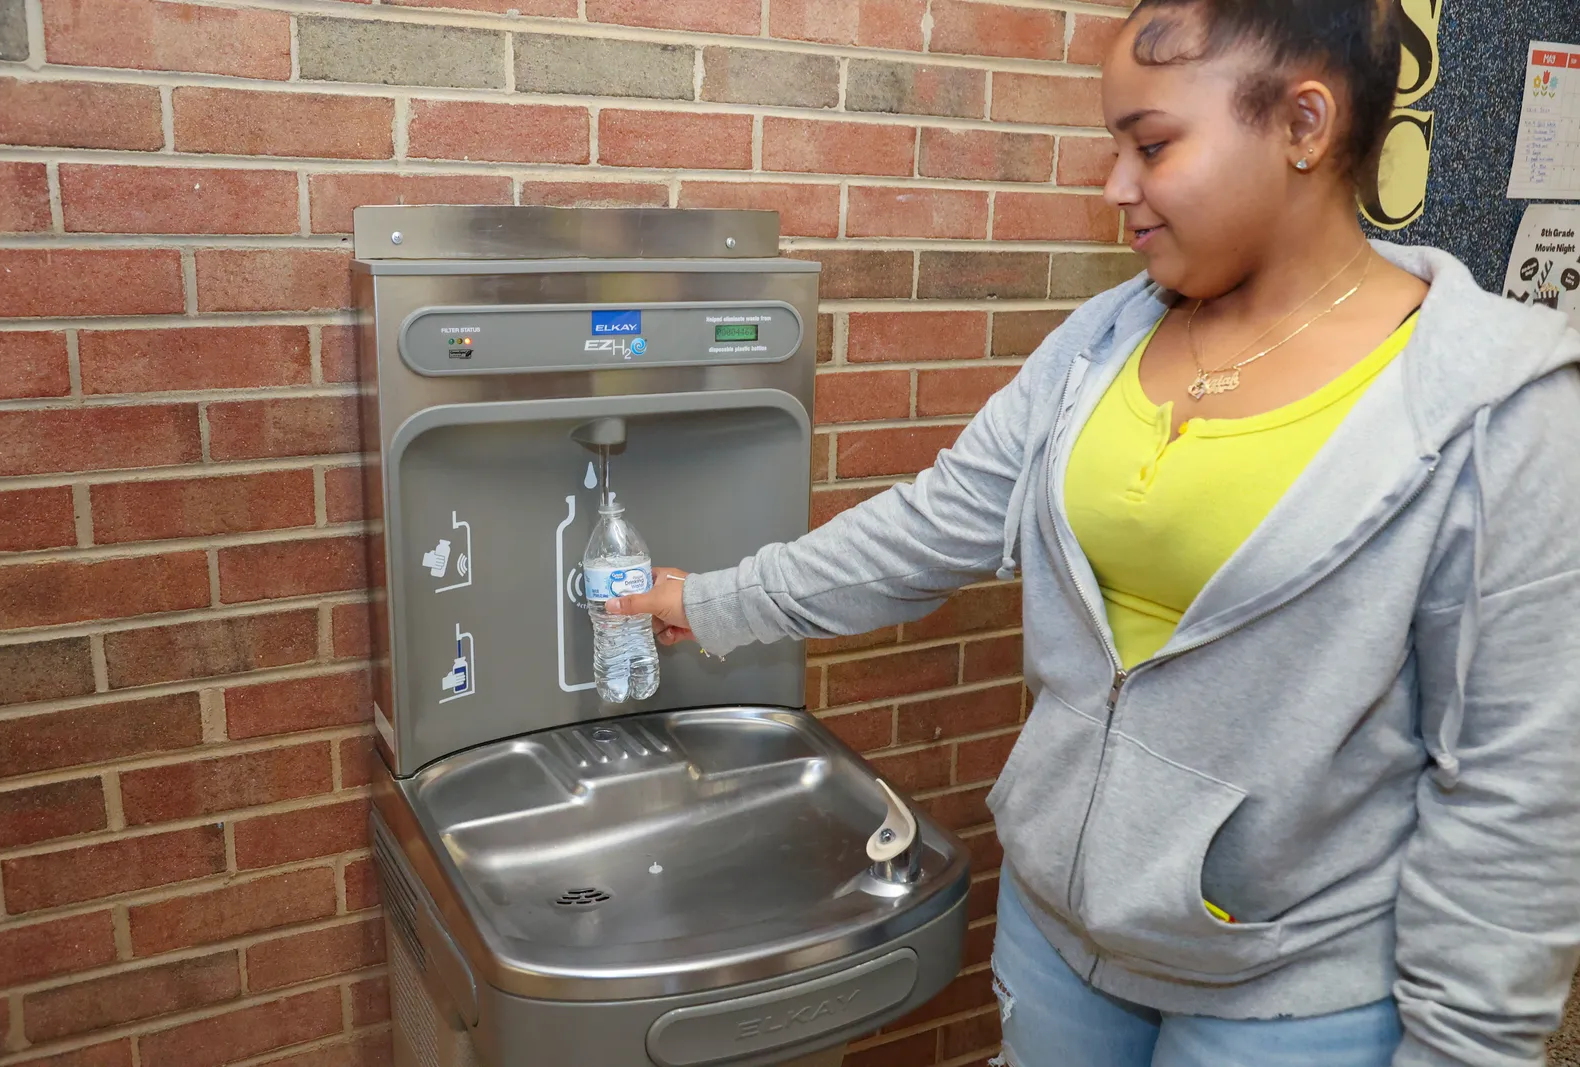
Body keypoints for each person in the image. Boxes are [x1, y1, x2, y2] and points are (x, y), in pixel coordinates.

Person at [609, 0, 1580, 1063]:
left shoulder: (1499, 410)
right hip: (1059, 940)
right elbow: (934, 525)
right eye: (1113, 146)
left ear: (1305, 124)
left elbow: (1516, 794)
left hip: (1292, 993)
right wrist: (703, 601)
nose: (1116, 186)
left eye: (1151, 144)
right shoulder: (1104, 340)